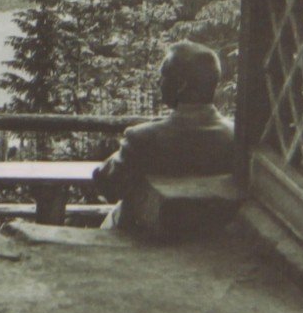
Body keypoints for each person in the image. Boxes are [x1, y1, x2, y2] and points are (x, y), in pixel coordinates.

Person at [91, 40, 236, 230]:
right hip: (211, 237)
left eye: (164, 76)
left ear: (182, 85)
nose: (160, 82)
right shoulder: (234, 136)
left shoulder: (143, 138)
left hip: (146, 240)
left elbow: (108, 186)